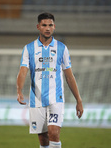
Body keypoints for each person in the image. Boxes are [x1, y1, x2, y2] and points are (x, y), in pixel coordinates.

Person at [16, 12, 83, 148]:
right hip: (37, 99)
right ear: (38, 27)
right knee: (43, 138)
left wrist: (79, 100)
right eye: (44, 25)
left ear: (54, 27)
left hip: (56, 98)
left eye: (50, 25)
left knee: (53, 132)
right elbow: (23, 72)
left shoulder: (62, 48)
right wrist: (19, 91)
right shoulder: (29, 48)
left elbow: (69, 76)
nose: (48, 28)